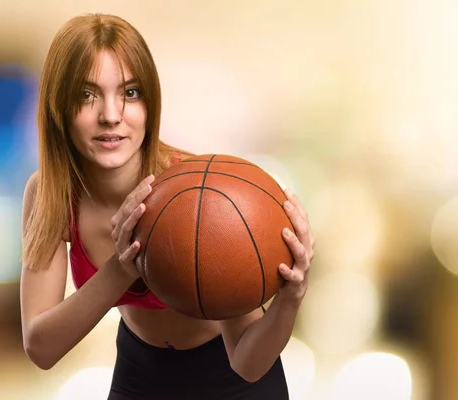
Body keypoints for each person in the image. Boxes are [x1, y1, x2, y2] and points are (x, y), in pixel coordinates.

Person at [20, 13, 315, 400]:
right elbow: (41, 347)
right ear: (59, 106)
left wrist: (290, 299)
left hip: (232, 382)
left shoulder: (195, 190)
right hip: (139, 375)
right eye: (86, 95)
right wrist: (121, 268)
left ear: (150, 102)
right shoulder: (51, 193)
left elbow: (248, 361)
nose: (111, 115)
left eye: (129, 93)